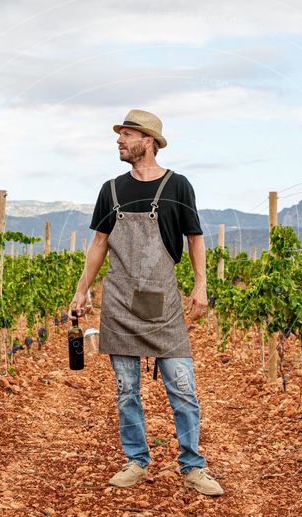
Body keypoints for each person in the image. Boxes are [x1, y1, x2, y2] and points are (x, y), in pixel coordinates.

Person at [68, 109, 223, 496]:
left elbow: (195, 238)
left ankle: (192, 466)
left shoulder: (178, 186)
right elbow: (99, 243)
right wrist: (82, 289)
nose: (119, 140)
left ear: (148, 141)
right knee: (126, 388)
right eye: (118, 135)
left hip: (162, 299)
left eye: (126, 134)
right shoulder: (112, 190)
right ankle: (136, 460)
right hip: (119, 300)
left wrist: (200, 286)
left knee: (182, 386)